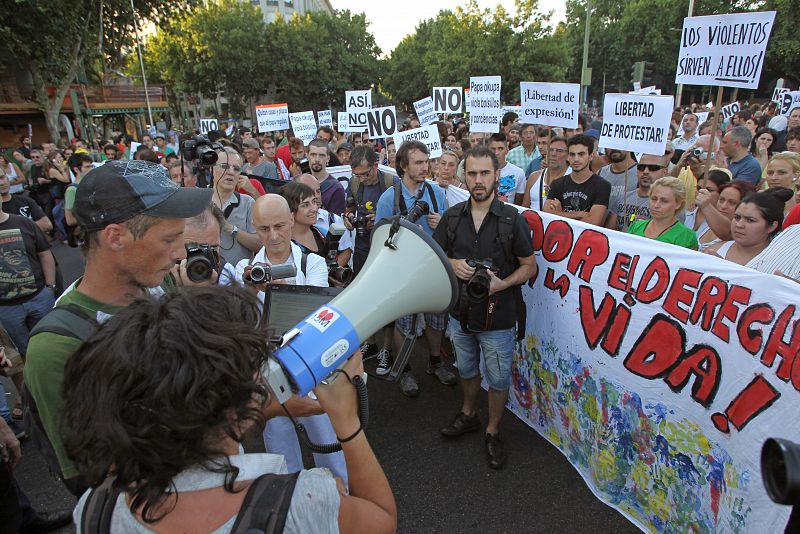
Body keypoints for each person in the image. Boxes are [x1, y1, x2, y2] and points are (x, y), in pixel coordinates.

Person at [63, 286, 396, 533]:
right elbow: (381, 518)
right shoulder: (301, 501)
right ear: (227, 408)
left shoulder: (95, 508)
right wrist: (347, 421)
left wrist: (252, 411)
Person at [24, 160, 212, 496]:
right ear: (115, 237)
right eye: (169, 238)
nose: (181, 252)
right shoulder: (56, 346)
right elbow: (90, 476)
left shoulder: (161, 284)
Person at [434, 146, 537, 469]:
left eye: (485, 173)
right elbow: (432, 259)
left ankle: (493, 429)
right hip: (460, 313)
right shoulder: (452, 218)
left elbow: (529, 266)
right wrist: (452, 263)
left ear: (497, 176)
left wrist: (502, 283)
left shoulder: (511, 219)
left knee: (498, 377)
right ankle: (468, 413)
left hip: (499, 315)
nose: (478, 180)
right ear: (464, 176)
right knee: (466, 369)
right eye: (473, 173)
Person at [374, 140, 453, 395]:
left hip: (432, 269)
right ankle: (405, 368)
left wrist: (442, 223)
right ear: (404, 166)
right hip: (403, 272)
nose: (425, 167)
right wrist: (405, 233)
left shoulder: (436, 193)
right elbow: (379, 237)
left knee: (435, 320)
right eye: (418, 162)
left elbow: (451, 232)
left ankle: (434, 362)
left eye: (426, 161)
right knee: (404, 323)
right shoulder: (390, 197)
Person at [705, 188, 793, 265]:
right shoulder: (713, 250)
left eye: (750, 220)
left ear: (772, 226)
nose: (739, 225)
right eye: (737, 217)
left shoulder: (776, 264)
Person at [210, 146, 263, 266]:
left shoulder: (248, 203)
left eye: (236, 169)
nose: (230, 172)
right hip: (205, 276)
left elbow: (260, 244)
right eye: (224, 166)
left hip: (239, 278)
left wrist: (229, 228)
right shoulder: (200, 200)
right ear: (212, 169)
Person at [543, 134, 611, 226]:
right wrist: (579, 214)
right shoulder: (557, 183)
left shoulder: (602, 185)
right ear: (568, 157)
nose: (576, 159)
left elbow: (594, 222)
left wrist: (559, 214)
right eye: (572, 154)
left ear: (591, 156)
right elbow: (547, 215)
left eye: (581, 154)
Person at [627, 176, 698, 249]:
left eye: (664, 201)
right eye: (654, 199)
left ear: (678, 204)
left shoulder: (686, 237)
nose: (656, 205)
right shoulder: (636, 226)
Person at [606, 154, 666, 231]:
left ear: (665, 172)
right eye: (641, 167)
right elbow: (609, 232)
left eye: (653, 168)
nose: (645, 171)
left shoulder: (669, 204)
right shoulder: (622, 198)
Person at [683, 168, 731, 250]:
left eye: (709, 190)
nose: (701, 192)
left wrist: (707, 206)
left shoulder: (723, 223)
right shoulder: (685, 214)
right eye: (698, 188)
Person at [522, 136, 570, 210]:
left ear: (568, 155)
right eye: (550, 150)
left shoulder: (574, 179)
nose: (553, 154)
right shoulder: (534, 177)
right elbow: (525, 208)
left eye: (559, 151)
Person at [308, 139, 346, 215]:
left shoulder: (336, 188)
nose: (317, 159)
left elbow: (335, 222)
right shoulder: (299, 183)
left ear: (328, 158)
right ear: (307, 156)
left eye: (321, 155)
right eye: (313, 155)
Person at [598, 149, 638, 220]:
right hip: (600, 228)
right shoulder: (601, 172)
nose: (614, 148)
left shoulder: (641, 173)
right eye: (611, 144)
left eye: (619, 145)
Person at [488, 132, 526, 204]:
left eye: (500, 149)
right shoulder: (480, 171)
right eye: (493, 149)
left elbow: (519, 203)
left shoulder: (518, 173)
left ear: (507, 150)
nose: (496, 153)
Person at [764, 151, 799, 215]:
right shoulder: (756, 201)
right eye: (770, 173)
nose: (773, 178)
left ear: (795, 175)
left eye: (781, 173)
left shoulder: (797, 203)